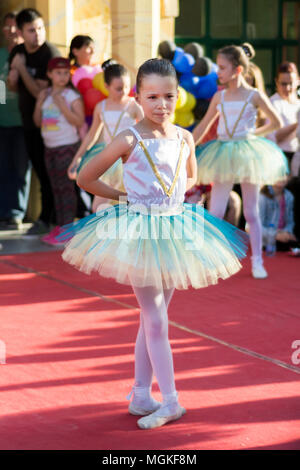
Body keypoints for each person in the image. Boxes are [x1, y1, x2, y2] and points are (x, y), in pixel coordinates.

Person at [58, 58, 248, 430]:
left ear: (178, 95)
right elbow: (86, 176)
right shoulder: (129, 137)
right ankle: (171, 401)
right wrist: (121, 196)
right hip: (141, 233)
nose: (162, 104)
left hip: (175, 232)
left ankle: (142, 393)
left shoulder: (185, 136)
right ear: (138, 98)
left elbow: (190, 175)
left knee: (151, 320)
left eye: (169, 96)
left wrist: (170, 195)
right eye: (152, 97)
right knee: (156, 319)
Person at [192, 43, 288, 279]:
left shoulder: (254, 95)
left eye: (222, 68)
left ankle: (257, 261)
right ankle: (212, 261)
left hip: (247, 153)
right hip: (222, 152)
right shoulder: (219, 96)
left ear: (236, 70)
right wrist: (186, 145)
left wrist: (253, 135)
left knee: (251, 211)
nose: (218, 72)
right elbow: (203, 126)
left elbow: (276, 122)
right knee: (215, 211)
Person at [7, 8, 61, 236]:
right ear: (20, 32)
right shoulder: (18, 51)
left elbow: (40, 91)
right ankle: (46, 218)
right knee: (39, 169)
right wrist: (12, 76)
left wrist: (20, 69)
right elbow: (12, 87)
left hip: (52, 125)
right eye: (31, 30)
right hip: (29, 122)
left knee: (52, 172)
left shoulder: (49, 53)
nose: (37, 34)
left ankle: (51, 218)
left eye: (40, 28)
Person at [68, 59, 143, 213]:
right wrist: (78, 158)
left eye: (127, 87)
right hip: (109, 160)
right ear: (107, 86)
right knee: (99, 207)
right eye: (118, 88)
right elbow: (91, 136)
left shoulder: (134, 105)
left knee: (129, 204)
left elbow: (147, 133)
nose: (124, 91)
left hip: (131, 160)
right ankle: (110, 235)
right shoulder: (100, 107)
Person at [33, 57, 85, 245]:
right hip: (50, 147)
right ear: (49, 74)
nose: (62, 77)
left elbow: (79, 121)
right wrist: (39, 103)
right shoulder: (45, 94)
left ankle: (67, 228)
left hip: (67, 147)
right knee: (55, 189)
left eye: (65, 73)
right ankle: (61, 226)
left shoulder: (72, 96)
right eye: (58, 73)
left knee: (66, 189)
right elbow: (37, 122)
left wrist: (63, 106)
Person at [0, 12, 30, 230]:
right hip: (2, 121)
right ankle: (4, 212)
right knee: (3, 168)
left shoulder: (29, 55)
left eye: (14, 27)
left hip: (24, 122)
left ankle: (16, 214)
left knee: (20, 169)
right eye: (7, 27)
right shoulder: (1, 55)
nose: (11, 31)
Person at [259, 182, 298, 251]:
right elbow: (255, 226)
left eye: (285, 173)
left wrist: (286, 233)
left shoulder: (289, 196)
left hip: (283, 243)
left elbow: (290, 221)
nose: (282, 178)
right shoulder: (262, 196)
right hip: (264, 243)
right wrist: (275, 235)